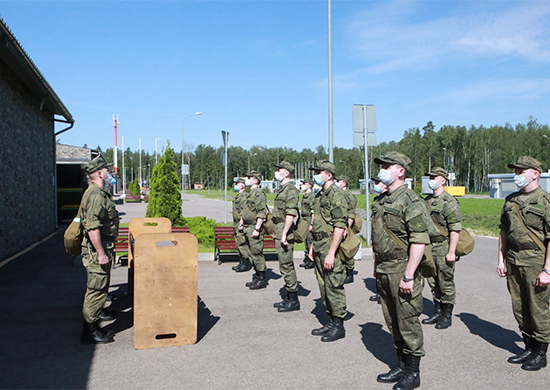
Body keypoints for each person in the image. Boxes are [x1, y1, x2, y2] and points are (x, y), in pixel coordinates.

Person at [371, 152, 430, 390]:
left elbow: (419, 241)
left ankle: (413, 373)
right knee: (392, 320)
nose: (382, 170)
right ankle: (400, 365)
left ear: (401, 171)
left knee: (407, 321)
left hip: (402, 268)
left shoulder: (411, 200)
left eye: (387, 166)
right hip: (385, 268)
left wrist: (408, 275)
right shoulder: (381, 201)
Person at [498, 156, 550, 371]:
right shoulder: (511, 200)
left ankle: (540, 352)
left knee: (538, 308)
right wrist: (500, 259)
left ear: (535, 174)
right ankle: (528, 346)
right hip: (513, 260)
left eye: (521, 171)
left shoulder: (545, 201)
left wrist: (547, 269)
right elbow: (503, 231)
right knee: (519, 307)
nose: (516, 175)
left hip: (536, 261)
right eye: (516, 171)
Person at [80, 156, 119, 344]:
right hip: (97, 251)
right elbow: (93, 227)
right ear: (99, 173)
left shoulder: (98, 192)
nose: (109, 173)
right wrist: (101, 253)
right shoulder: (95, 195)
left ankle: (98, 313)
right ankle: (90, 330)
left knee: (101, 286)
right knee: (96, 289)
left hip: (101, 247)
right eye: (107, 171)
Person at [308, 161, 348, 342]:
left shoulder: (336, 195)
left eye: (319, 172)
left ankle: (339, 325)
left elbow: (340, 225)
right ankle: (331, 321)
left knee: (333, 285)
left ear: (329, 174)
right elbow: (316, 223)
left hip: (330, 245)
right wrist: (312, 247)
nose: (316, 175)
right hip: (319, 245)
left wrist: (332, 252)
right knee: (323, 286)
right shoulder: (320, 194)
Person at [422, 167, 462, 330]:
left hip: (443, 245)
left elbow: (455, 228)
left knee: (445, 281)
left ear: (443, 180)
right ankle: (437, 310)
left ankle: (447, 314)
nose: (431, 180)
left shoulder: (449, 202)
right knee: (432, 280)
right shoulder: (426, 201)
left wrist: (452, 251)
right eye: (430, 177)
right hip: (429, 245)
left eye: (434, 177)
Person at [272, 161, 301, 312]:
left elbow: (291, 213)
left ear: (287, 173)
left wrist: (284, 233)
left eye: (280, 170)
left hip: (284, 232)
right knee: (284, 265)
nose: (277, 172)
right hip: (279, 230)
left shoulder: (290, 190)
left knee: (287, 265)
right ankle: (289, 298)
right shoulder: (283, 189)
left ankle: (293, 300)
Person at [241, 171, 268, 290]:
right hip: (247, 227)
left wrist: (257, 228)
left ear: (255, 180)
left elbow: (262, 213)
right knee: (252, 253)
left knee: (257, 253)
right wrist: (242, 223)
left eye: (249, 178)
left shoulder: (258, 193)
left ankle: (262, 279)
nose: (247, 180)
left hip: (254, 227)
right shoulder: (250, 193)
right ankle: (257, 276)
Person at [337, 175, 358, 284]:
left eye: (338, 181)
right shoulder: (338, 195)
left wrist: (347, 228)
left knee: (347, 248)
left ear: (344, 183)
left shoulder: (349, 196)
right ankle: (342, 271)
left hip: (346, 225)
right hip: (339, 224)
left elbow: (351, 214)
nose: (336, 183)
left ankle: (350, 273)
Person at [370, 177, 387, 304]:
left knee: (386, 268)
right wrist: (372, 237)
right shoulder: (377, 200)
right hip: (377, 239)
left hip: (387, 240)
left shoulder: (390, 200)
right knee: (377, 266)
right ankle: (380, 292)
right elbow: (374, 222)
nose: (375, 185)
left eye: (377, 183)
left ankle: (386, 294)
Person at [232, 178, 252, 272]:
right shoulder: (238, 196)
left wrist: (241, 223)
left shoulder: (243, 196)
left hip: (240, 223)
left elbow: (243, 211)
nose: (235, 185)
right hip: (236, 223)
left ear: (242, 185)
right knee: (238, 243)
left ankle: (246, 263)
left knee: (242, 243)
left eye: (237, 184)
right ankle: (241, 262)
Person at [299, 178, 315, 269]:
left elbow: (313, 212)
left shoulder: (312, 196)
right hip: (304, 219)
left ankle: (312, 260)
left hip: (309, 219)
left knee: (310, 240)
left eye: (305, 183)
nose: (303, 185)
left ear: (309, 185)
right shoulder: (305, 196)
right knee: (306, 240)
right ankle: (308, 258)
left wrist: (312, 224)